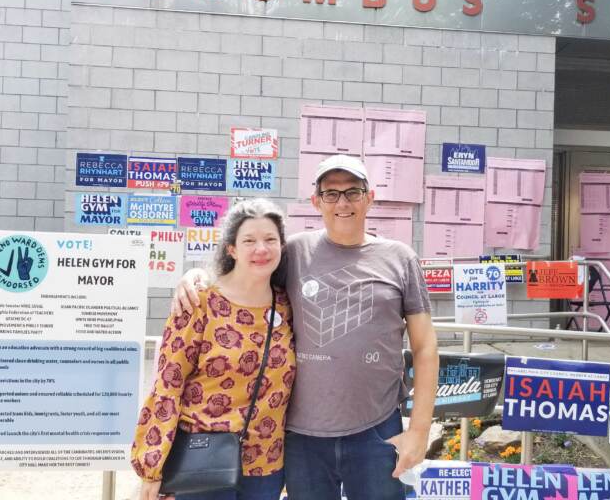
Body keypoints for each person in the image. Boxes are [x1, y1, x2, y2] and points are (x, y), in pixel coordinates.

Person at [173, 155, 439, 500]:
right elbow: (247, 269)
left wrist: (418, 432)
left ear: (369, 198)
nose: (342, 202)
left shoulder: (400, 258)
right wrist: (197, 275)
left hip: (377, 432)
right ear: (317, 202)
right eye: (331, 193)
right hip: (302, 438)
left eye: (352, 192)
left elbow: (425, 348)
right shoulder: (295, 252)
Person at [132, 198, 296, 500]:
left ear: (282, 247)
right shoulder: (199, 302)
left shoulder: (286, 306)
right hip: (202, 463)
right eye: (249, 240)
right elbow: (167, 385)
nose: (261, 249)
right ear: (231, 249)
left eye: (270, 239)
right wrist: (152, 466)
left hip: (265, 465)